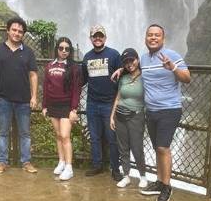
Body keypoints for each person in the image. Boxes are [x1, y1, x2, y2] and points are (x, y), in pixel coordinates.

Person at [138, 24, 190, 201]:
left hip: (169, 109)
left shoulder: (172, 55)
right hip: (151, 110)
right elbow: (136, 74)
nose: (153, 38)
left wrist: (173, 68)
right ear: (146, 38)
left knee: (163, 147)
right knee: (157, 148)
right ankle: (159, 182)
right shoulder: (144, 59)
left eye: (157, 35)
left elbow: (187, 78)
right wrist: (122, 71)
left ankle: (167, 186)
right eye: (150, 35)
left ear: (163, 38)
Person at [0, 16, 39, 174]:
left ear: (23, 34)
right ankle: (2, 162)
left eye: (20, 31)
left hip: (23, 100)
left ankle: (26, 162)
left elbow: (33, 75)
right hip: (3, 99)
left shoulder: (28, 52)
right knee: (3, 132)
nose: (17, 33)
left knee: (25, 133)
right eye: (14, 30)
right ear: (7, 30)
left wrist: (34, 96)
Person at [81, 24, 123, 180]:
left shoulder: (114, 55)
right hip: (92, 103)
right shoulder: (87, 57)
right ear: (91, 38)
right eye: (95, 36)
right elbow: (83, 79)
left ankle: (115, 168)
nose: (97, 38)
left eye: (100, 35)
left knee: (112, 138)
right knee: (95, 137)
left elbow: (123, 73)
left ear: (105, 38)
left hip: (109, 104)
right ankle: (97, 165)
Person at [43, 37, 81, 181]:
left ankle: (69, 167)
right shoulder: (49, 66)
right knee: (58, 135)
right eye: (61, 48)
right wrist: (44, 105)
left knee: (65, 136)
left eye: (67, 49)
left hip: (66, 106)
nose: (64, 51)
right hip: (53, 105)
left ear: (70, 51)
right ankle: (61, 162)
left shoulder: (74, 67)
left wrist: (74, 109)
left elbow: (76, 90)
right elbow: (46, 86)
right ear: (57, 49)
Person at [110, 48, 148, 189]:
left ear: (138, 59)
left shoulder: (145, 77)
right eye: (126, 62)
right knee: (123, 148)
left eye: (132, 60)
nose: (129, 64)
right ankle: (126, 176)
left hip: (136, 116)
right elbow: (118, 97)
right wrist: (112, 116)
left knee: (137, 147)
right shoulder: (123, 78)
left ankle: (143, 176)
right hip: (120, 116)